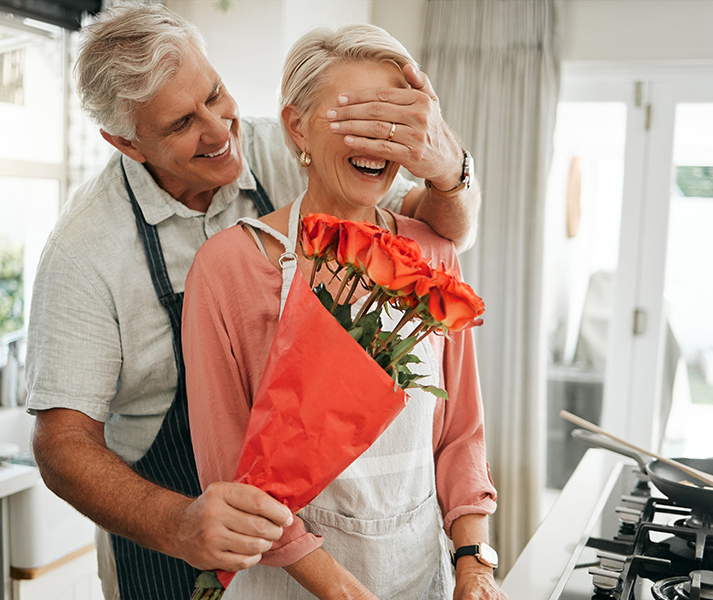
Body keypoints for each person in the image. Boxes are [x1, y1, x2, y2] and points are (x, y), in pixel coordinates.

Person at [26, 4, 481, 600]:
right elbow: (60, 444)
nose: (218, 130)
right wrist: (181, 525)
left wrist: (453, 170)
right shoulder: (85, 250)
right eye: (182, 123)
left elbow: (432, 229)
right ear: (126, 142)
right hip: (166, 518)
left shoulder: (278, 144)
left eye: (215, 94)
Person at [183, 24, 506, 600]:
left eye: (393, 122)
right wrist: (340, 590)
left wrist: (474, 564)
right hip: (289, 583)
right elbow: (232, 475)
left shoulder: (433, 253)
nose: (376, 139)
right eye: (355, 117)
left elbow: (461, 437)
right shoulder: (227, 268)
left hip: (417, 576)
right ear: (296, 126)